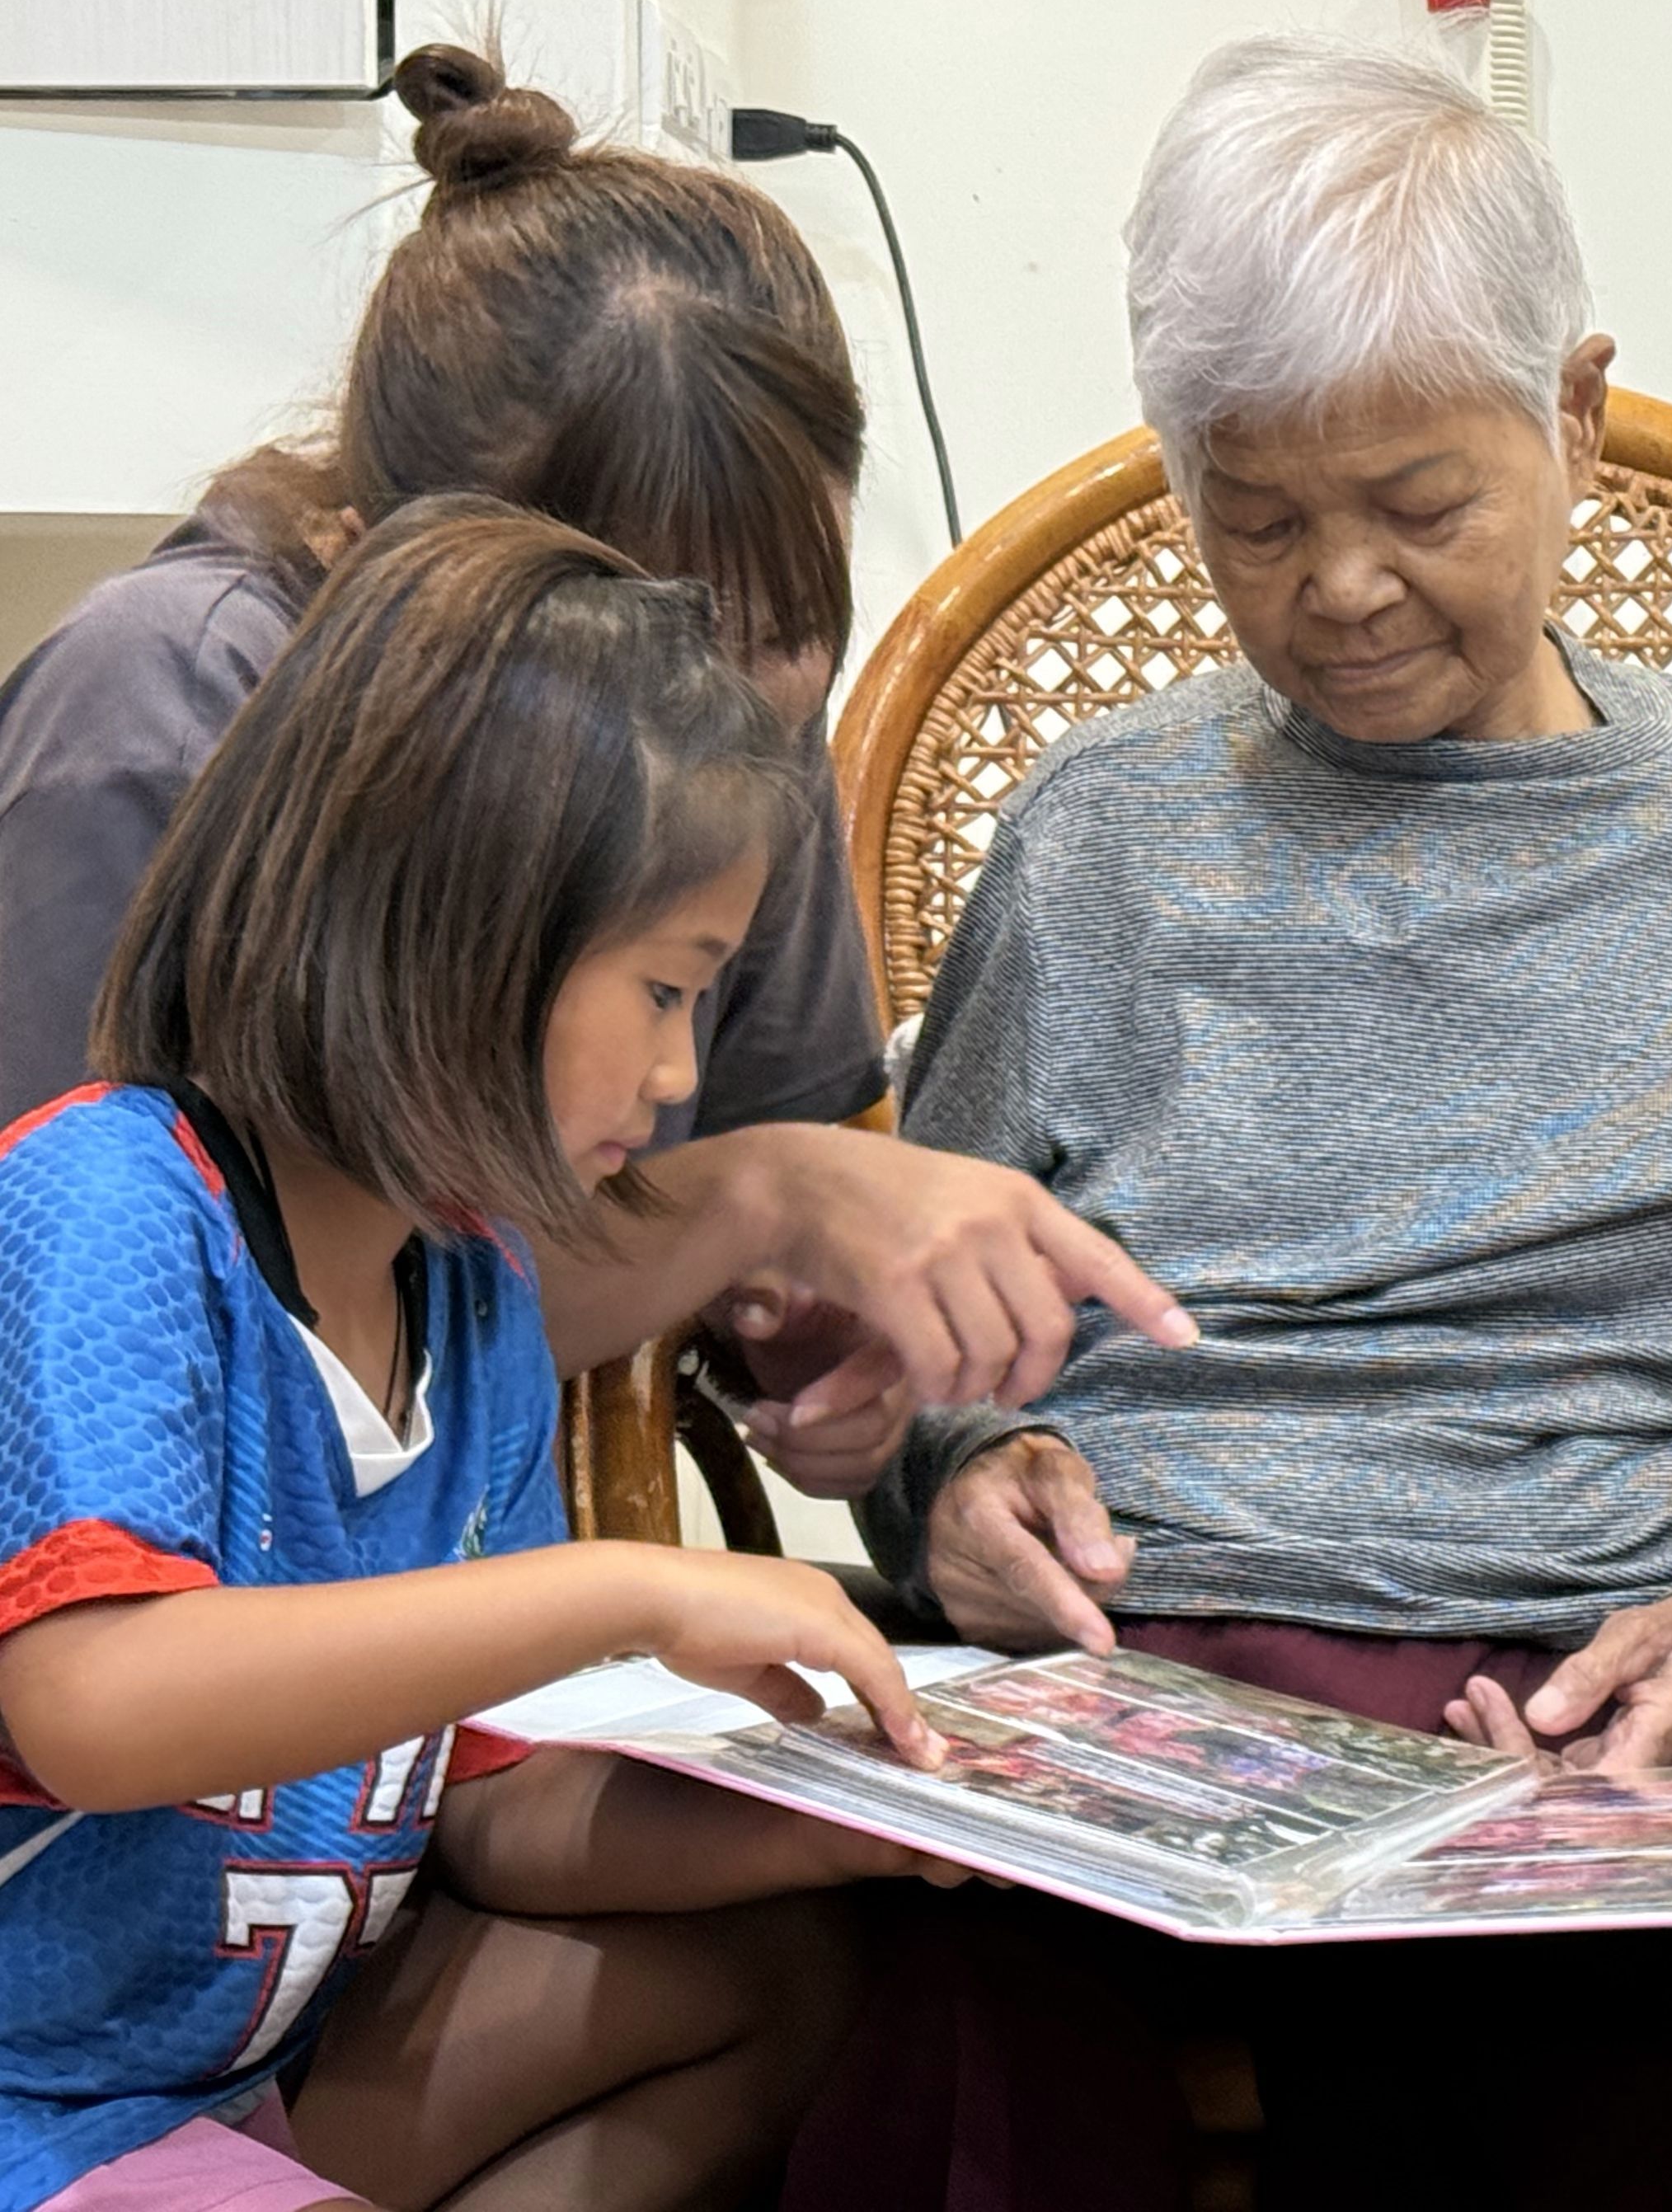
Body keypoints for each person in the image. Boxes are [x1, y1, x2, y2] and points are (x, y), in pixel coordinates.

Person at [815, 34, 1672, 2212]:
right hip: (1141, 1698)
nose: (1340, 588)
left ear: (1578, 416)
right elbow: (910, 1357)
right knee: (947, 2046)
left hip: (1580, 1721)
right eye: (1255, 523)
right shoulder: (1099, 843)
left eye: (1422, 506)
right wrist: (969, 1479)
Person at [0, 45, 1190, 1505]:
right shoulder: (158, 728)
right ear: (407, 574)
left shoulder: (724, 700)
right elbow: (183, 1362)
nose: (734, 716)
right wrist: (753, 1205)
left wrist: (854, 1355)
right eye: (672, 637)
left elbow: (770, 1162)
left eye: (789, 631)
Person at [0, 503, 960, 2212]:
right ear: (463, 939)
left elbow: (486, 1814)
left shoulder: (471, 1293)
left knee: (785, 1976)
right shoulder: (112, 1200)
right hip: (35, 2115)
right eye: (667, 993)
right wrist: (624, 1591)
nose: (680, 1081)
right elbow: (94, 1704)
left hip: (234, 2082)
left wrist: (883, 1827)